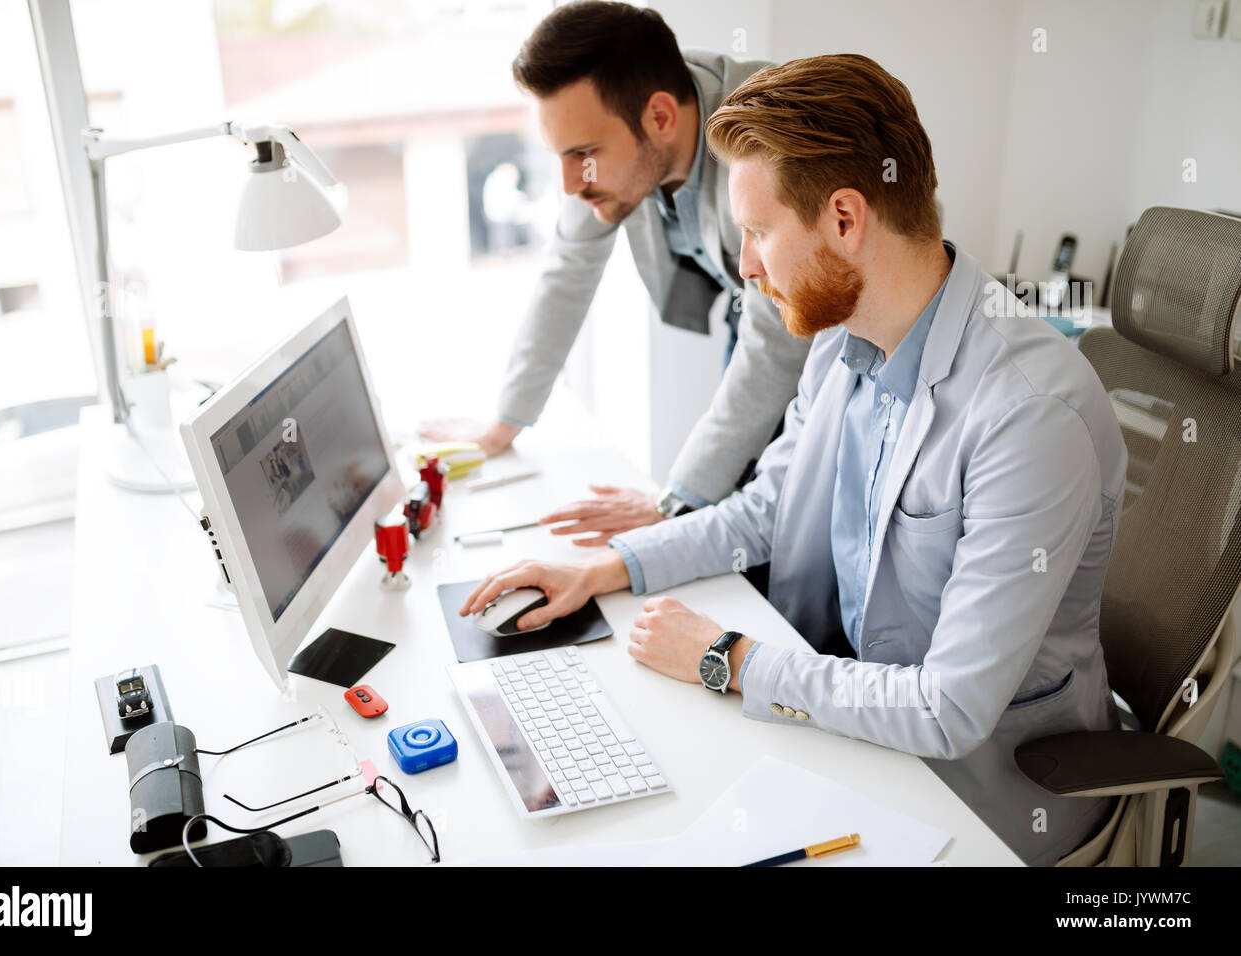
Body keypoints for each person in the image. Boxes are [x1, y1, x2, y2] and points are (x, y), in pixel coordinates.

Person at [460, 53, 1128, 866]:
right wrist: (605, 568)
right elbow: (767, 508)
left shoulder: (1027, 414)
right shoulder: (842, 334)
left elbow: (948, 710)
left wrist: (725, 659)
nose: (743, 266)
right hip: (854, 724)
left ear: (844, 220)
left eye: (757, 231)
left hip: (982, 789)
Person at [419, 1, 811, 548]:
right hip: (758, 319)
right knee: (716, 507)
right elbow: (566, 271)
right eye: (559, 155)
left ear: (660, 118)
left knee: (775, 525)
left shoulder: (766, 146)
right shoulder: (610, 138)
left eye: (581, 154)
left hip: (832, 333)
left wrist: (675, 497)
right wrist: (506, 421)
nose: (568, 183)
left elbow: (776, 348)